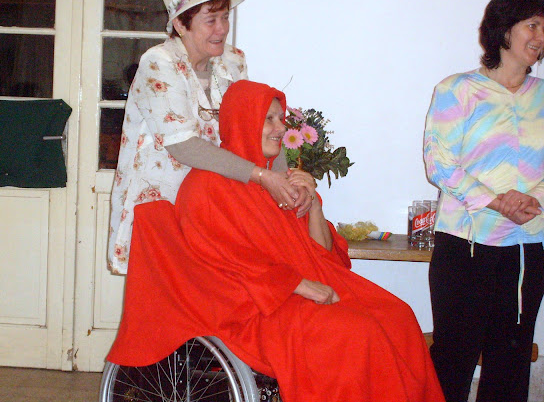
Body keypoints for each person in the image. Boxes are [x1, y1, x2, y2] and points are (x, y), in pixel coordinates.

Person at [108, 80, 445, 402]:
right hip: (254, 308)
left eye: (281, 119)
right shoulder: (206, 186)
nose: (281, 128)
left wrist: (313, 204)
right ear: (242, 121)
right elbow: (225, 261)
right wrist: (300, 286)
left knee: (398, 316)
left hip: (298, 289)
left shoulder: (278, 181)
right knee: (356, 333)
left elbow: (323, 254)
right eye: (268, 119)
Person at [107, 0, 310, 274]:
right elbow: (183, 145)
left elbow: (254, 123)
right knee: (169, 288)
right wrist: (262, 177)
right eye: (210, 20)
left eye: (225, 18)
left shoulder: (233, 61)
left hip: (214, 202)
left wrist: (284, 181)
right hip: (164, 198)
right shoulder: (159, 63)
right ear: (180, 24)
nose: (221, 29)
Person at [424, 0, 544, 402]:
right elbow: (440, 164)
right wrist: (498, 202)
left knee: (511, 363)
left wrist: (532, 201)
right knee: (453, 361)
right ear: (503, 30)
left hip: (527, 248)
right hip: (466, 246)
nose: (540, 37)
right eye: (533, 25)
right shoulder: (456, 90)